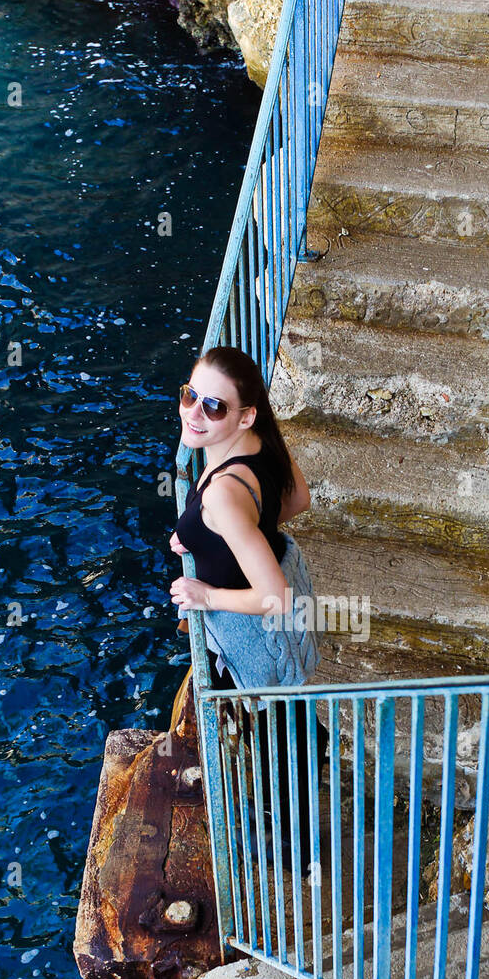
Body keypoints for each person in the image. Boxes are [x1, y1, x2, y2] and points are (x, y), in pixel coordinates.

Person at [169, 345, 329, 868]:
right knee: (286, 722)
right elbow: (297, 499)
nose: (194, 412)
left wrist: (204, 594)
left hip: (257, 634)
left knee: (276, 744)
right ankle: (313, 743)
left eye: (213, 407)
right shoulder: (260, 444)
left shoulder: (222, 494)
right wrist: (211, 539)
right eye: (191, 395)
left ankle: (301, 853)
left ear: (244, 415)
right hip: (278, 619)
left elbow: (273, 597)